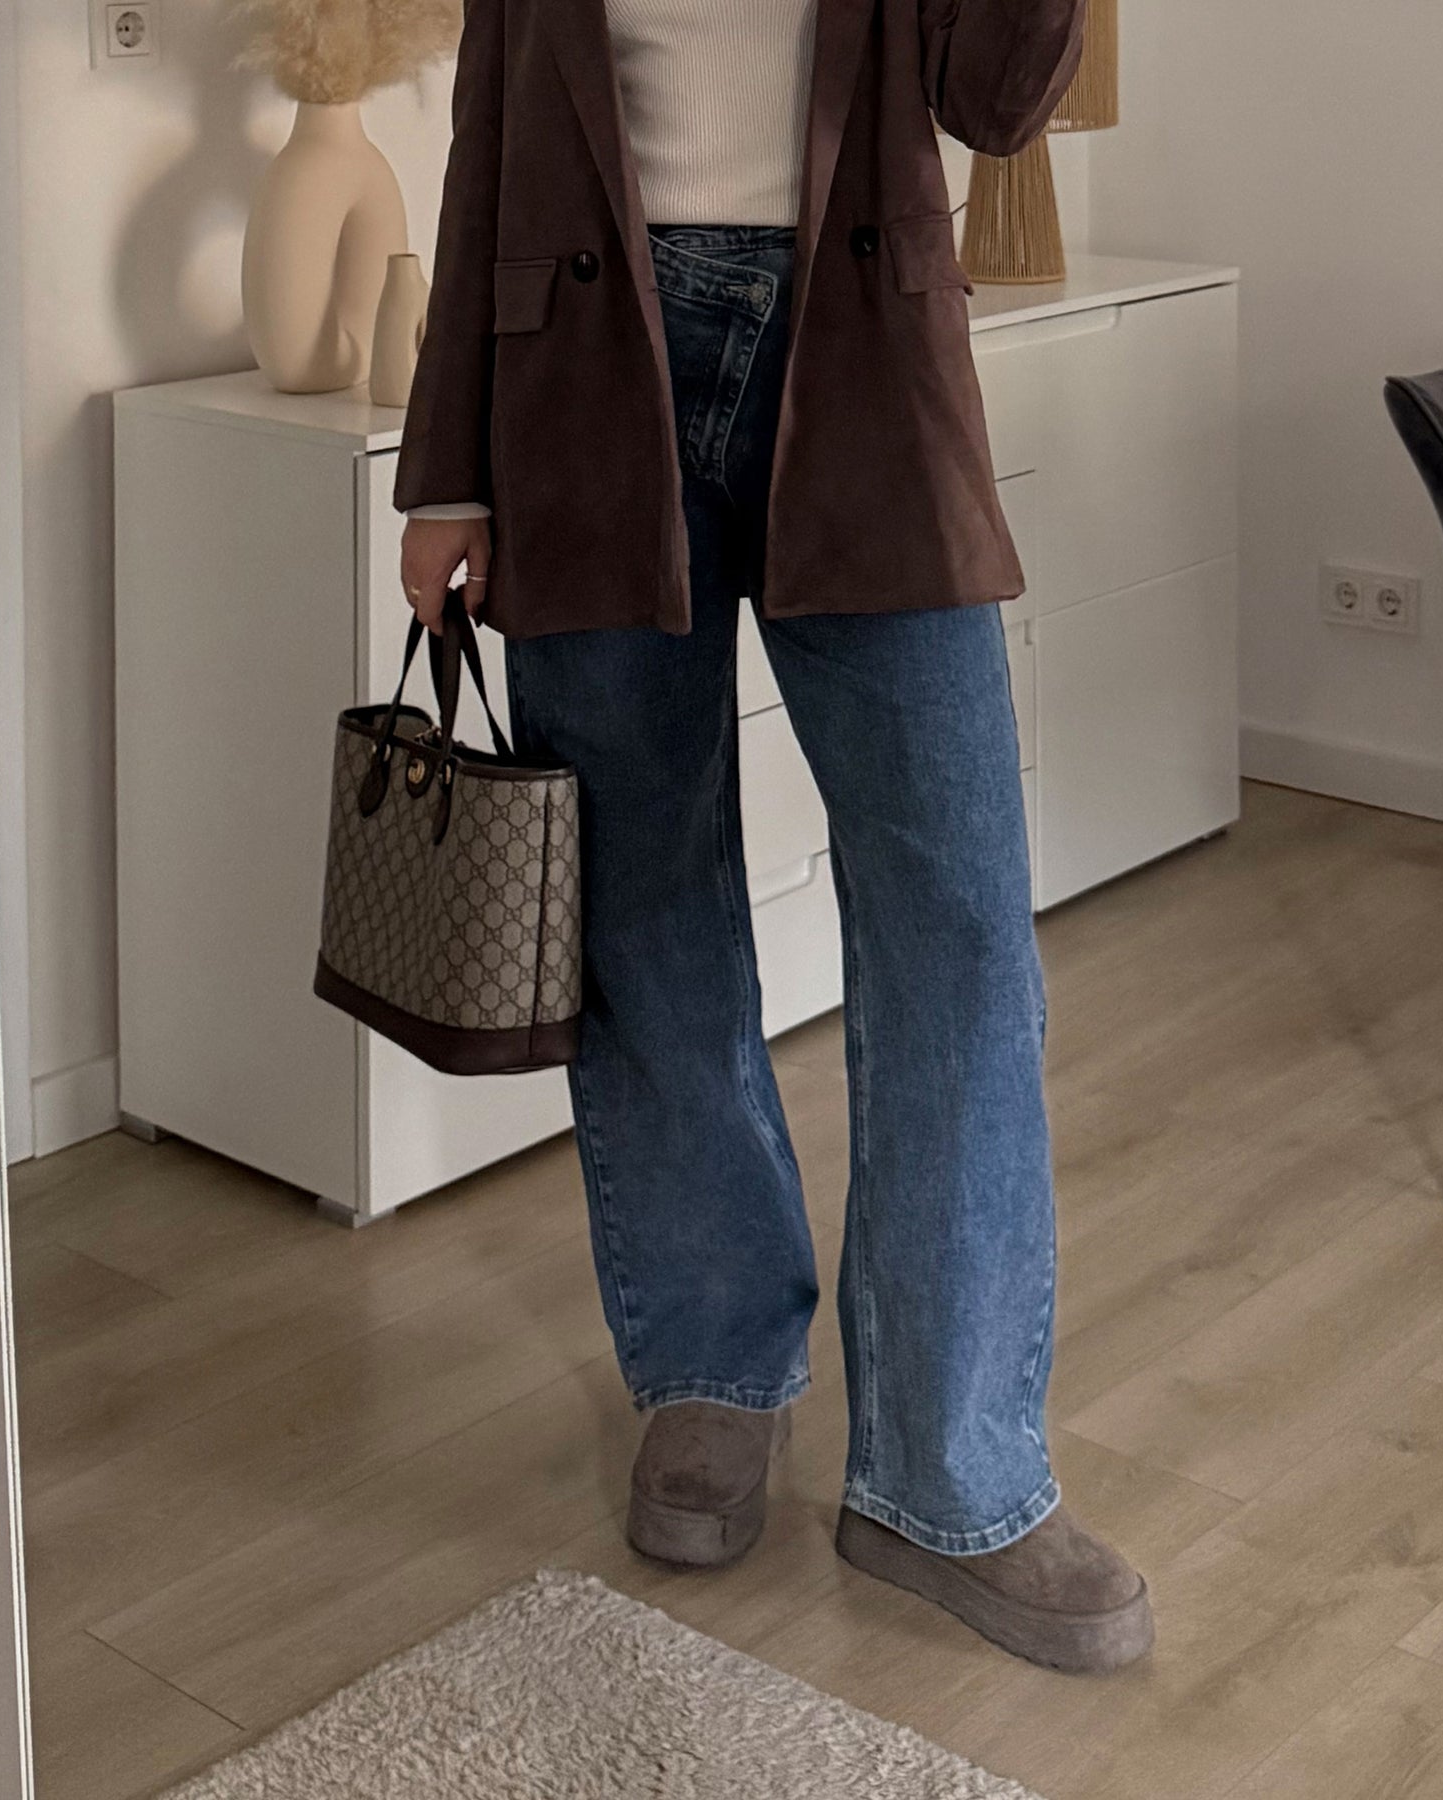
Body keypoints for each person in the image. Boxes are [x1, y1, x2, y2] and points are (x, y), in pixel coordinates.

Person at [394, 0, 1154, 1675]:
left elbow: (998, 103)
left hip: (862, 355)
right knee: (645, 912)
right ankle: (713, 1372)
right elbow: (488, 139)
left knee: (958, 923)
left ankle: (951, 1476)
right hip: (581, 379)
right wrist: (445, 468)